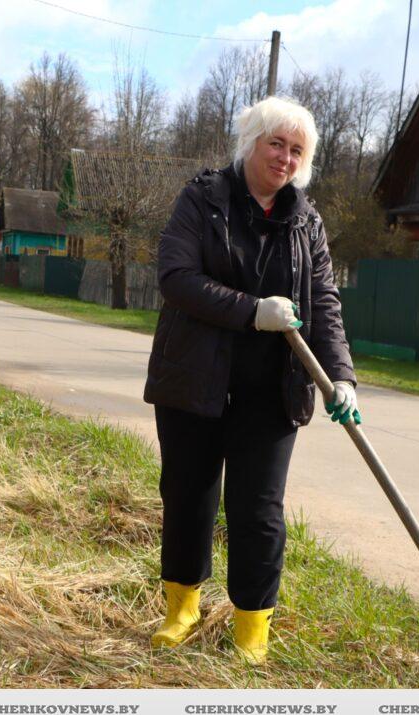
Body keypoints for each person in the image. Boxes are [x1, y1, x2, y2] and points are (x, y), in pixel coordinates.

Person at [143, 97, 359, 665]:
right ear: (251, 142)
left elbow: (325, 305)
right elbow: (176, 277)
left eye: (296, 150)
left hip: (273, 390)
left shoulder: (306, 221)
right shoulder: (202, 199)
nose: (285, 158)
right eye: (276, 144)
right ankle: (181, 609)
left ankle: (251, 629)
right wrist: (251, 311)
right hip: (194, 381)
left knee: (259, 510)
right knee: (188, 496)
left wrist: (341, 377)